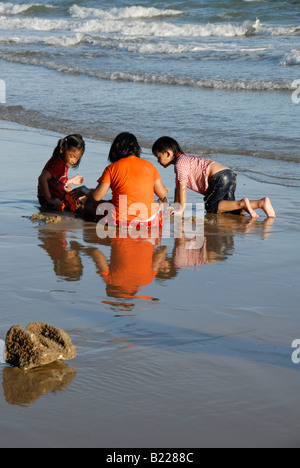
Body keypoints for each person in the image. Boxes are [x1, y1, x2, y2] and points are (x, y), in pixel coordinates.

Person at [152, 136, 276, 218]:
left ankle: (244, 203)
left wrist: (181, 209)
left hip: (218, 177)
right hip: (229, 174)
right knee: (228, 209)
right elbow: (178, 187)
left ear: (168, 153)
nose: (158, 160)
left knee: (210, 207)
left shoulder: (180, 164)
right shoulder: (184, 160)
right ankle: (261, 203)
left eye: (158, 157)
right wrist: (175, 204)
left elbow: (182, 188)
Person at [72, 132, 168, 227]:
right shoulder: (150, 166)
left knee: (89, 203)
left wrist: (83, 189)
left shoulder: (112, 168)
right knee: (155, 205)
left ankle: (88, 222)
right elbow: (162, 193)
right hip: (148, 222)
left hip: (120, 221)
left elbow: (97, 196)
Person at [38, 134, 86, 210]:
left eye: (77, 158)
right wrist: (49, 198)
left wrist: (72, 180)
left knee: (75, 191)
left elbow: (57, 181)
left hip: (55, 197)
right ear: (62, 149)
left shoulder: (62, 161)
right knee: (84, 199)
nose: (73, 161)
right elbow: (42, 178)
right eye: (72, 156)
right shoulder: (57, 165)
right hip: (54, 202)